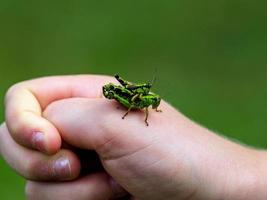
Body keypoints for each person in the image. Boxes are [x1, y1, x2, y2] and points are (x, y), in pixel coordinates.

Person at [0, 75, 267, 200]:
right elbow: (135, 98)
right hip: (124, 95)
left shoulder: (148, 104)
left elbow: (145, 105)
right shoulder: (137, 97)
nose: (153, 102)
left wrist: (228, 179)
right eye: (153, 101)